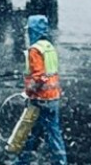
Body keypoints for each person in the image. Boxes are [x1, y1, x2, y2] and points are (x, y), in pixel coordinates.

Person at [15, 15, 67, 165]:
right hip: (53, 97)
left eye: (29, 30)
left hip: (40, 99)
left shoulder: (35, 50)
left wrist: (28, 92)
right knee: (43, 132)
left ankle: (58, 162)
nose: (27, 33)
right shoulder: (49, 47)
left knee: (35, 131)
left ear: (33, 31)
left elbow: (39, 76)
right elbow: (50, 73)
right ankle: (23, 160)